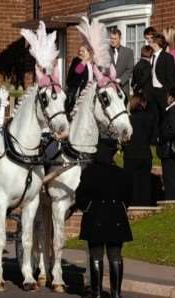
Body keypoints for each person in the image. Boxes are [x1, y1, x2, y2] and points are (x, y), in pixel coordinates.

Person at [75, 141, 133, 298]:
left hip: (94, 218)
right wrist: (120, 209)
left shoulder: (88, 172)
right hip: (116, 219)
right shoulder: (121, 173)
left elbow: (79, 197)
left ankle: (97, 293)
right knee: (115, 256)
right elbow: (128, 197)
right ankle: (116, 294)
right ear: (112, 155)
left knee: (96, 256)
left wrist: (88, 207)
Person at [122, 94, 157, 206]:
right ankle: (145, 206)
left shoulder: (128, 120)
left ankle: (133, 206)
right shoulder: (150, 118)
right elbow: (153, 137)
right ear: (142, 103)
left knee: (132, 184)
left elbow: (123, 138)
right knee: (145, 184)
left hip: (130, 155)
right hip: (145, 155)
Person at [148, 32, 175, 126]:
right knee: (155, 119)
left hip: (163, 92)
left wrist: (170, 94)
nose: (149, 43)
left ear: (156, 43)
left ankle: (164, 140)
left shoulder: (168, 57)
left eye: (151, 41)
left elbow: (171, 78)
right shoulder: (151, 57)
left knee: (164, 119)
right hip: (152, 92)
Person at [156, 87, 175, 201]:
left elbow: (172, 130)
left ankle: (170, 202)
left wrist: (160, 138)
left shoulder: (172, 111)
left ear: (171, 97)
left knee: (169, 180)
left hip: (169, 151)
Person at [65, 45, 93, 114]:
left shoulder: (90, 64)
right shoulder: (76, 61)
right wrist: (84, 60)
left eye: (83, 51)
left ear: (88, 53)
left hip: (88, 93)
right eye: (79, 51)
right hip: (77, 94)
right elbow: (78, 71)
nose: (80, 53)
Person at [109, 28, 134, 100]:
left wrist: (120, 80)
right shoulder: (105, 52)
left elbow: (130, 70)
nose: (112, 40)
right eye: (111, 38)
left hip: (123, 89)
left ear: (120, 39)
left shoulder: (128, 52)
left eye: (115, 38)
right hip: (109, 89)